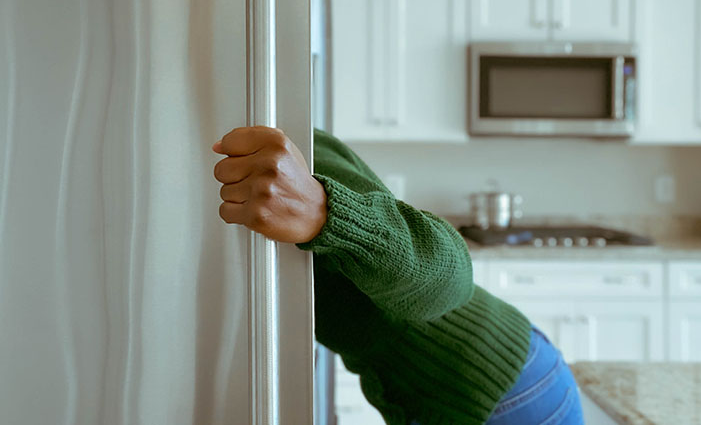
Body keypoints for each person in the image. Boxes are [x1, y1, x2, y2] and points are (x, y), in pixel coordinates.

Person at [212, 126, 585, 425]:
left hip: (501, 385)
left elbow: (452, 277)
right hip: (450, 389)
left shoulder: (292, 147)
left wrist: (328, 214)